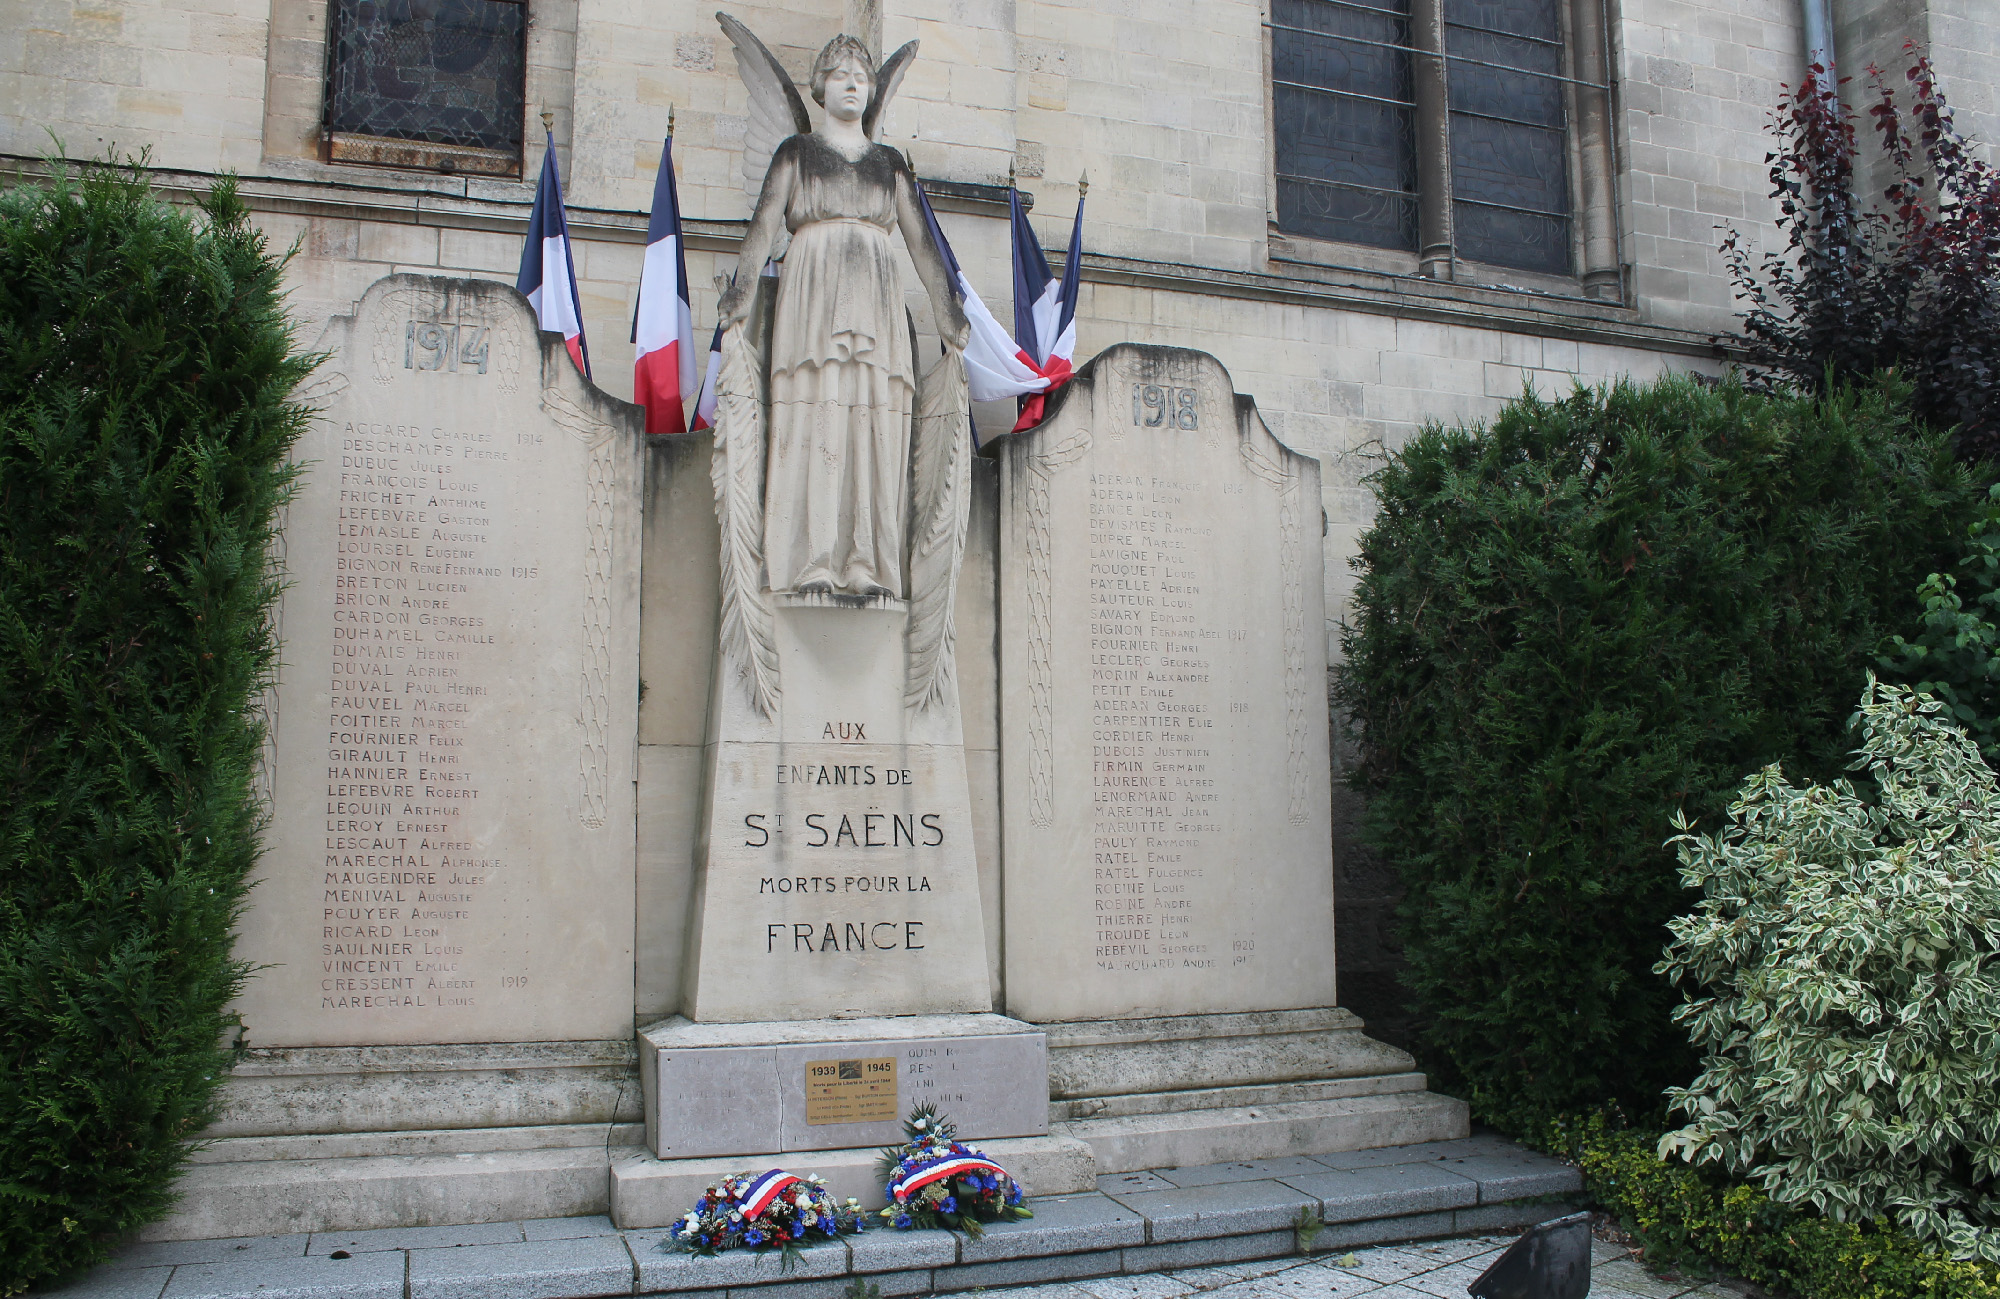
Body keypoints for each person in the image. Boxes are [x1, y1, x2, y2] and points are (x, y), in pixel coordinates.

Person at [717, 35, 971, 601]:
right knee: (816, 414)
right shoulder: (797, 152)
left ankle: (866, 561)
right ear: (820, 87)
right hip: (814, 293)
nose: (853, 83)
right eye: (839, 74)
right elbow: (763, 227)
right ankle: (810, 557)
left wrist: (946, 313)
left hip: (877, 300)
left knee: (873, 420)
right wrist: (741, 292)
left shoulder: (888, 164)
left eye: (861, 75)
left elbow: (922, 244)